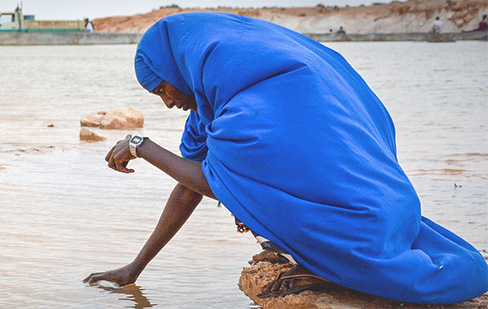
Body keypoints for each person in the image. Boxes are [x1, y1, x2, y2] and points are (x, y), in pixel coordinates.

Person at [83, 12, 488, 305]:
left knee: (241, 179)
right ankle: (315, 257)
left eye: (163, 90)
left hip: (363, 222)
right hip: (384, 212)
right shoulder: (214, 103)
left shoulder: (254, 101)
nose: (168, 101)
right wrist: (135, 269)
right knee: (239, 178)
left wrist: (142, 146)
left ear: (181, 66)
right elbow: (190, 187)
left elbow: (217, 180)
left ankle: (324, 265)